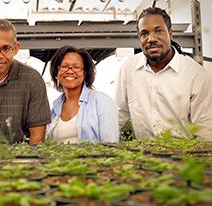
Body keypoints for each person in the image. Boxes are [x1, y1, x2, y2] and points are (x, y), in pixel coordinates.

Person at [115, 7, 212, 140]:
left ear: (170, 34)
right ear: (139, 38)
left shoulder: (196, 74)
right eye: (144, 34)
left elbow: (205, 131)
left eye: (158, 31)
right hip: (140, 157)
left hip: (185, 157)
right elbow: (120, 117)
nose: (151, 39)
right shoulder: (128, 69)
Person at [46, 46, 119, 143]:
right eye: (64, 66)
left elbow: (111, 145)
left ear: (85, 73)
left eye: (76, 67)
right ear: (56, 72)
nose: (70, 71)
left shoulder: (102, 102)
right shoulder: (55, 109)